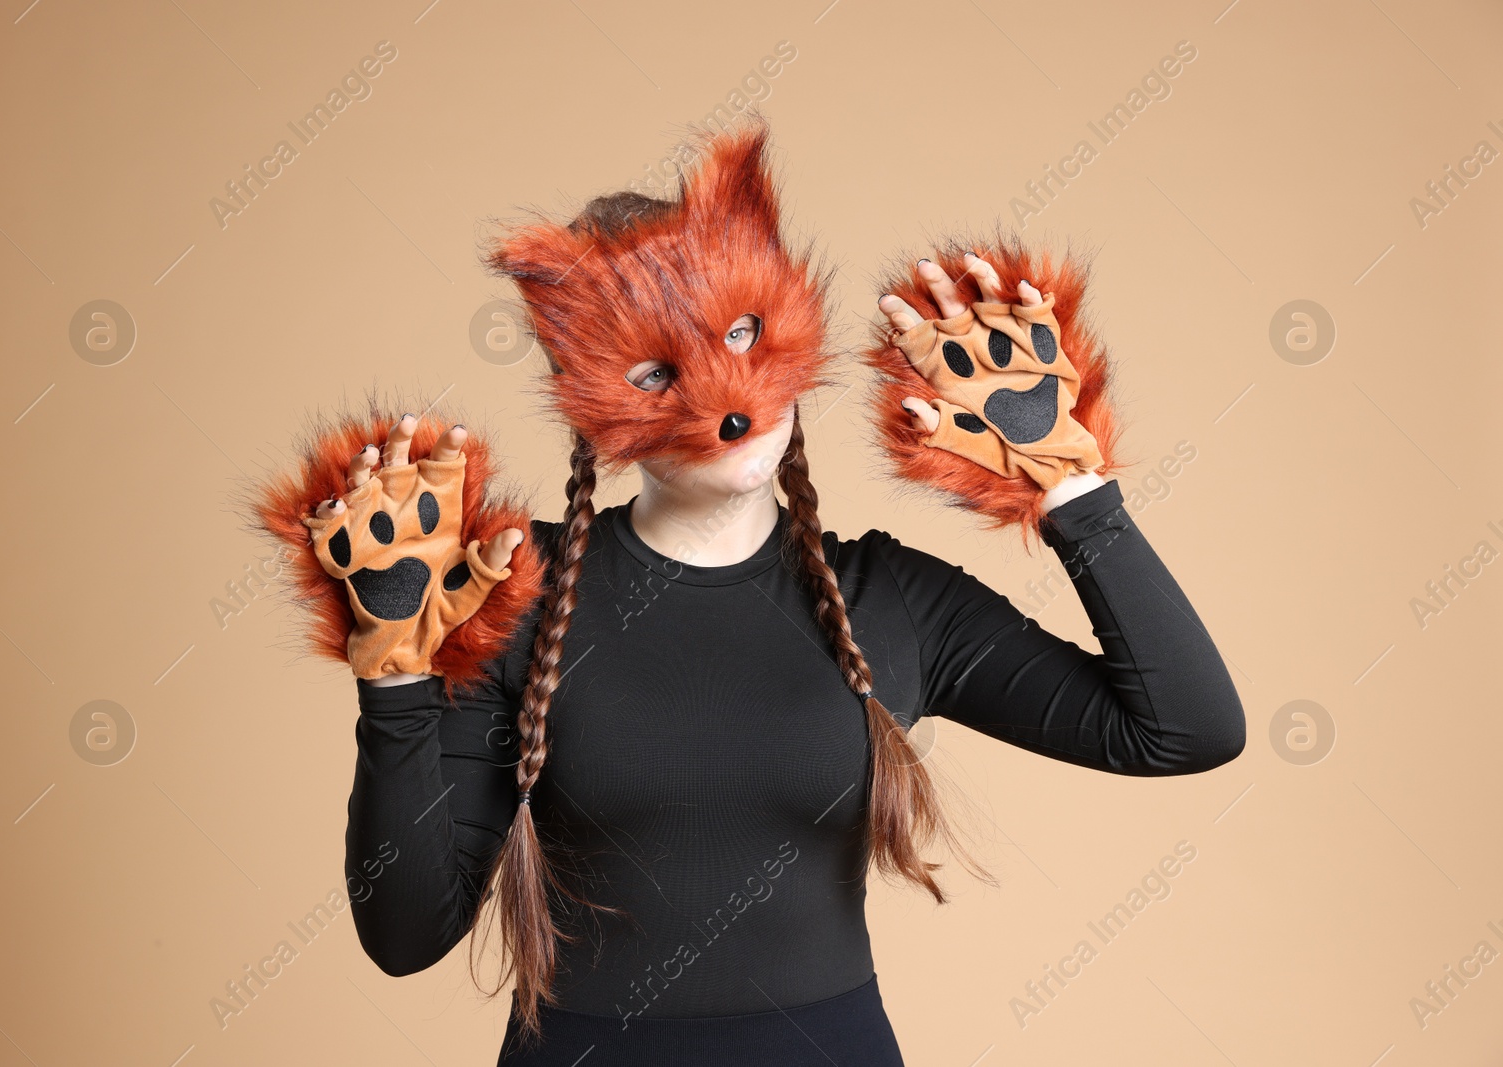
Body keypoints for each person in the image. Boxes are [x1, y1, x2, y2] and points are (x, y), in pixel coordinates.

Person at [265, 118, 1247, 1066]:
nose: (720, 395)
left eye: (742, 331)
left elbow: (1182, 730)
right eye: (657, 367)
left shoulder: (888, 596)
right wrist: (392, 674)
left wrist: (1073, 489)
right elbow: (406, 931)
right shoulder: (513, 591)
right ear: (587, 391)